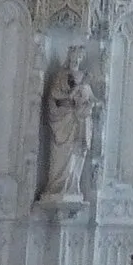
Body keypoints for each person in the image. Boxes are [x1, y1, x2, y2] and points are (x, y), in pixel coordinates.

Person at [39, 45, 95, 202]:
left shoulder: (84, 78)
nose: (76, 60)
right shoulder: (61, 77)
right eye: (74, 56)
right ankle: (56, 188)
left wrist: (88, 104)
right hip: (64, 121)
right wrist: (75, 94)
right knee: (63, 156)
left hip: (80, 123)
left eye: (79, 57)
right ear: (69, 57)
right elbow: (55, 99)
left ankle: (73, 187)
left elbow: (90, 99)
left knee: (76, 156)